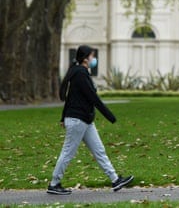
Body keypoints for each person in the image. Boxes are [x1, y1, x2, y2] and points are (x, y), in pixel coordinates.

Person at [47, 45, 133, 195]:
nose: (94, 59)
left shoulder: (79, 72)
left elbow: (70, 97)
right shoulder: (80, 73)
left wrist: (63, 117)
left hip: (84, 120)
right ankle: (54, 184)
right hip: (77, 120)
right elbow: (93, 97)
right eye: (92, 56)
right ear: (86, 58)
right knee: (68, 153)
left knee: (99, 150)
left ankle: (115, 180)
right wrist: (109, 115)